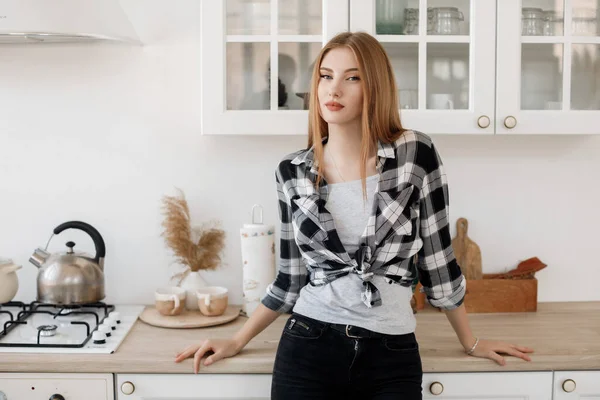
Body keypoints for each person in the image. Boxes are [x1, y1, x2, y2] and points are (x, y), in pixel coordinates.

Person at [175, 31, 534, 399]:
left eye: (352, 77)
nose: (334, 90)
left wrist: (470, 341)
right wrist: (236, 341)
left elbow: (438, 263)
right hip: (308, 345)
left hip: (392, 353)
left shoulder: (414, 154)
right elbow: (289, 280)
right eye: (326, 76)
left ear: (374, 86)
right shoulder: (292, 171)